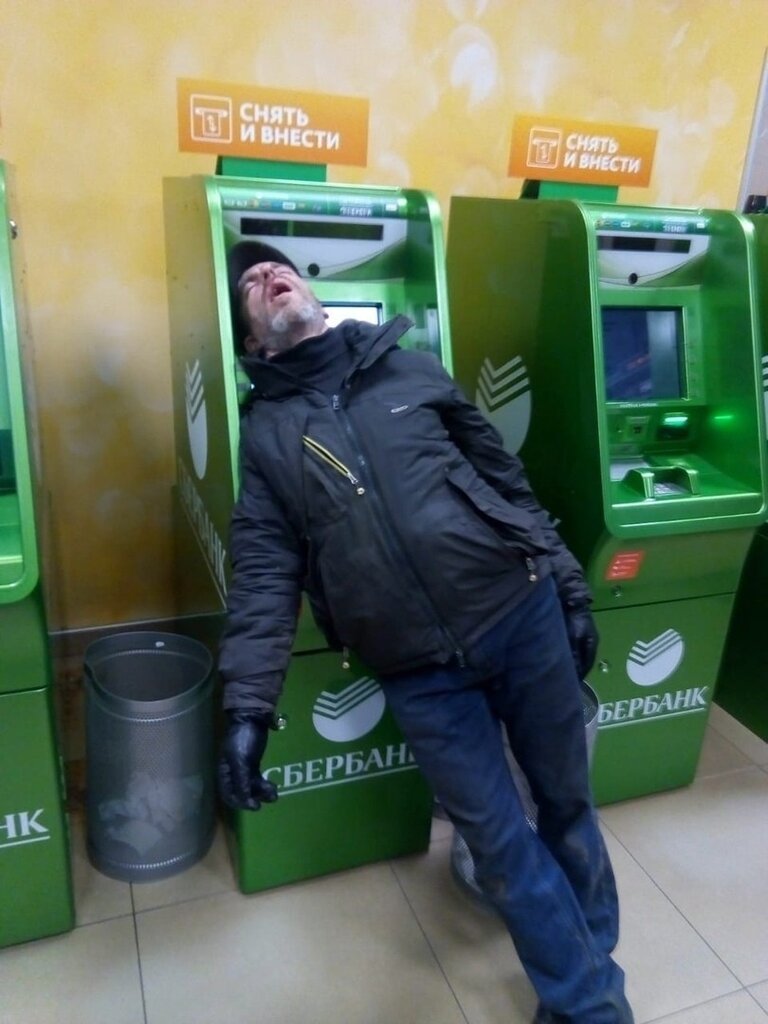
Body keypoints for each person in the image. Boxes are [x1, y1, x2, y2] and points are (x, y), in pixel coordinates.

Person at [217, 239, 634, 1024]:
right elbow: (265, 571)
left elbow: (505, 483)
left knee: (566, 805)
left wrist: (571, 590)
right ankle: (594, 1004)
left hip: (520, 614)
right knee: (499, 843)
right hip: (418, 672)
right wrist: (247, 709)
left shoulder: (410, 370)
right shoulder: (267, 436)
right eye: (251, 284)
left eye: (280, 268)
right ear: (252, 340)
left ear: (313, 294)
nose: (271, 276)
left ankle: (584, 991)